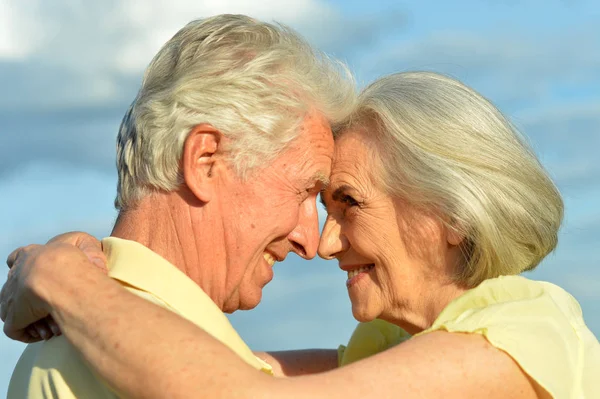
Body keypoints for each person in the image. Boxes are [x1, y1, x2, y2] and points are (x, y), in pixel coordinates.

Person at [3, 72, 600, 398]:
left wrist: (62, 280)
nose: (325, 243)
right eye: (319, 202)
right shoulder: (390, 350)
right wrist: (97, 262)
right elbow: (209, 364)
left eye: (349, 204)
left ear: (446, 215)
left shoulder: (518, 341)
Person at [2, 14, 356, 398]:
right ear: (205, 162)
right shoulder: (119, 357)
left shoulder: (86, 330)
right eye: (304, 191)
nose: (311, 241)